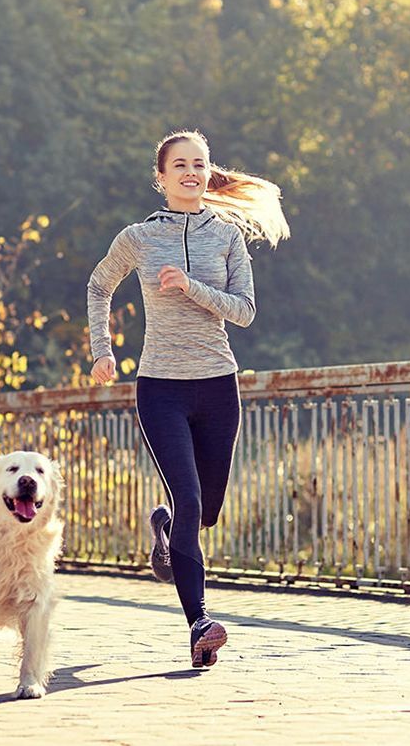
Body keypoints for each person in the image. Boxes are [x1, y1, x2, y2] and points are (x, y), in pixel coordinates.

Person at [86, 130, 289, 667]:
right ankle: (199, 622)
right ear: (162, 176)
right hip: (161, 387)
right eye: (180, 165)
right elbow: (99, 285)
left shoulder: (226, 237)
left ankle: (166, 529)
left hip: (219, 384)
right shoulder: (137, 237)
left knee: (206, 510)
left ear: (207, 172)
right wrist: (102, 349)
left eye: (199, 164)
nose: (191, 172)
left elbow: (245, 310)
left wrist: (191, 287)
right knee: (191, 499)